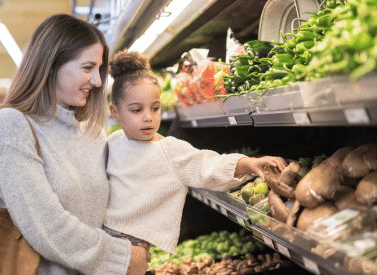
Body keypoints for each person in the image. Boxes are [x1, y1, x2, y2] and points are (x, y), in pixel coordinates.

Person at [0, 15, 150, 275]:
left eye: (99, 70)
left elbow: (99, 216)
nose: (97, 81)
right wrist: (122, 257)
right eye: (87, 68)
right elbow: (47, 226)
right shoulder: (11, 125)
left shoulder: (94, 134)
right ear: (51, 65)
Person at [105, 50, 287, 254]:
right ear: (115, 113)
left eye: (155, 108)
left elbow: (206, 165)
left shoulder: (168, 149)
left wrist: (248, 163)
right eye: (137, 110)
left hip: (136, 245)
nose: (148, 117)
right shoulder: (111, 143)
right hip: (106, 238)